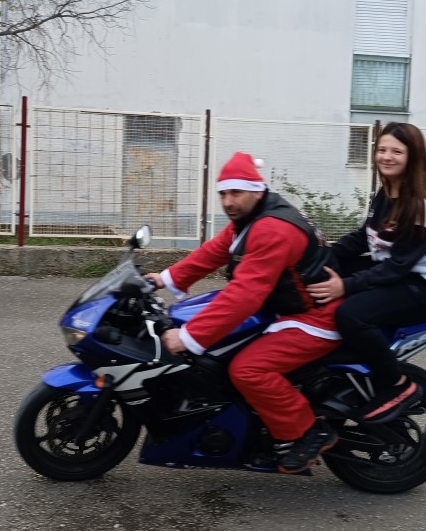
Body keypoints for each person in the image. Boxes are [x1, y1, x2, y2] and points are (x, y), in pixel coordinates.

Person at [144, 152, 342, 474]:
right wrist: (164, 278)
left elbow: (246, 294)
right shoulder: (250, 220)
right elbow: (214, 251)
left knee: (248, 369)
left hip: (315, 317)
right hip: (287, 308)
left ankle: (307, 431)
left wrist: (189, 337)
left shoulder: (272, 228)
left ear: (256, 191)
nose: (228, 202)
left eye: (236, 192)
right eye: (223, 193)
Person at [308, 122, 426, 423]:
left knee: (351, 314)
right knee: (324, 272)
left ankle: (396, 384)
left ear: (413, 156)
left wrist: (346, 287)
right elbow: (364, 237)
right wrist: (319, 256)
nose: (387, 157)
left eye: (396, 151)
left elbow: (399, 266)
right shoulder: (389, 189)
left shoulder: (424, 203)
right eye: (382, 149)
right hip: (398, 269)